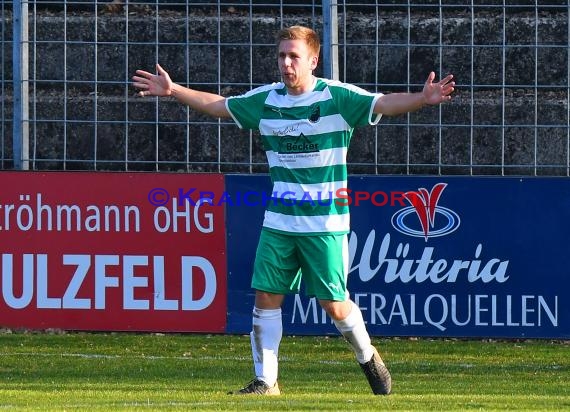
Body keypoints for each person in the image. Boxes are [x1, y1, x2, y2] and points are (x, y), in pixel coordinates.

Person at [133, 25, 455, 396]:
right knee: (266, 297)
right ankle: (266, 381)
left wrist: (422, 98)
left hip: (325, 224)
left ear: (313, 60)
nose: (286, 64)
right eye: (282, 56)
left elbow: (382, 104)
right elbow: (220, 106)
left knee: (334, 305)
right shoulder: (267, 100)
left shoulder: (337, 97)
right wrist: (173, 91)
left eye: (294, 56)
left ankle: (368, 356)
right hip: (279, 223)